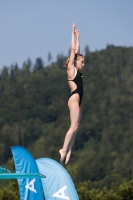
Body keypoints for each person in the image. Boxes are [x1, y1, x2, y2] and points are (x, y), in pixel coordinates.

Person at [59, 23, 85, 164]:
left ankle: (68, 150)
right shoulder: (71, 69)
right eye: (82, 61)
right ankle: (63, 149)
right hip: (74, 99)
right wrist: (72, 34)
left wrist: (78, 37)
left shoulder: (77, 71)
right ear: (76, 62)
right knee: (73, 126)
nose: (83, 64)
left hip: (78, 100)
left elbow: (77, 49)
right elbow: (73, 49)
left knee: (76, 127)